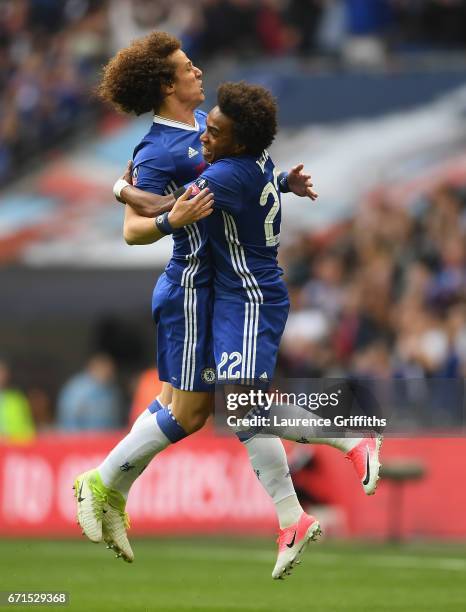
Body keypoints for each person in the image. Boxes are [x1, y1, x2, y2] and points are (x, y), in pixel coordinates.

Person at [112, 81, 382, 578]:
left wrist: (120, 188)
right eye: (207, 126)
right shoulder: (249, 162)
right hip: (241, 297)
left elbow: (157, 211)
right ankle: (292, 520)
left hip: (250, 299)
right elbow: (248, 183)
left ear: (238, 141)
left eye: (214, 132)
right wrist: (283, 182)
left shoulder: (225, 174)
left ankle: (350, 436)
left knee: (242, 407)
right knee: (242, 416)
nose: (205, 137)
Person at [74, 30, 313, 572]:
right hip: (188, 286)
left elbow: (232, 180)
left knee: (194, 411)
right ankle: (100, 484)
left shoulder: (208, 127)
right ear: (166, 85)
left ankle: (107, 489)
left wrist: (280, 181)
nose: (198, 72)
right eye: (187, 68)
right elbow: (133, 231)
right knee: (191, 411)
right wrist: (164, 218)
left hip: (215, 288)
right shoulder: (155, 148)